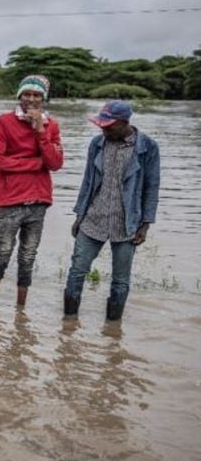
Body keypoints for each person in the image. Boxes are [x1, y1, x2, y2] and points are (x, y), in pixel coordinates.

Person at [63, 100, 160, 321]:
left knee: (120, 280)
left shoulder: (148, 148)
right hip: (93, 218)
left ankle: (113, 328)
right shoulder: (97, 144)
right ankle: (68, 324)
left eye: (108, 126)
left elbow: (151, 187)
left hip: (127, 222)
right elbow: (88, 181)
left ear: (124, 123)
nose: (103, 130)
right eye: (101, 125)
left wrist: (145, 224)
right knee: (77, 270)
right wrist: (80, 215)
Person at [0, 74, 64, 307]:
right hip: (10, 200)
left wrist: (40, 130)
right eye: (27, 94)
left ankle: (21, 311)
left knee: (28, 257)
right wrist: (34, 164)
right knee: (2, 254)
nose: (31, 99)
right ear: (19, 95)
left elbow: (55, 163)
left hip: (39, 201)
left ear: (43, 98)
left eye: (37, 95)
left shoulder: (52, 126)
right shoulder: (5, 121)